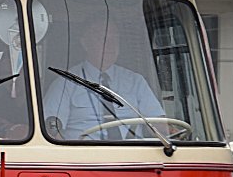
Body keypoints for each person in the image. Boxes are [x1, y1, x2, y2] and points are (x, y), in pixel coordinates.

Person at [42, 11, 165, 141]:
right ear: (85, 43)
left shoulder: (136, 81)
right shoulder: (65, 83)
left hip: (131, 154)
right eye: (103, 38)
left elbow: (160, 126)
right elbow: (51, 130)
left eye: (115, 38)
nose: (111, 44)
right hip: (85, 157)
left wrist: (167, 130)